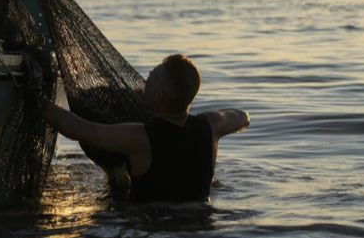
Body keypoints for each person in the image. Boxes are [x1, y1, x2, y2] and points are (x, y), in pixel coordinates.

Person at [37, 54, 250, 202]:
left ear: (159, 96)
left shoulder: (141, 137)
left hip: (150, 224)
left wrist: (37, 98)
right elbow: (241, 116)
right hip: (199, 220)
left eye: (153, 76)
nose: (147, 75)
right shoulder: (210, 126)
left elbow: (82, 130)